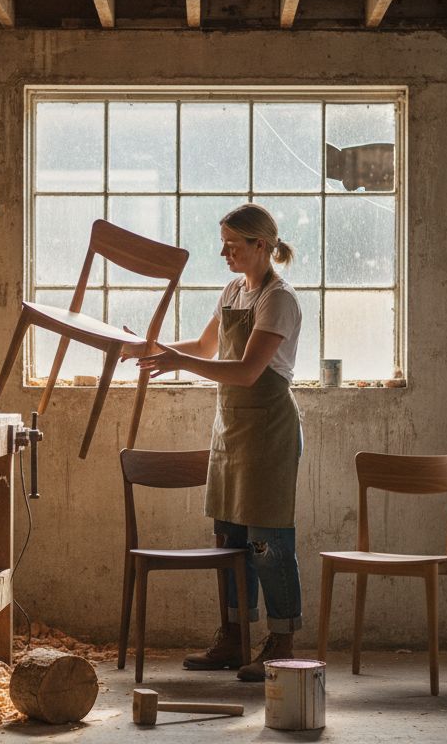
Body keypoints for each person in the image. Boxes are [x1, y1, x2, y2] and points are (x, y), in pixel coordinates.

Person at [129, 203, 304, 682]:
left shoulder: (278, 299)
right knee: (228, 539)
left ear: (261, 246)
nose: (223, 252)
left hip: (268, 431)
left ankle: (282, 639)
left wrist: (177, 363)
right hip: (230, 431)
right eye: (223, 243)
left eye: (232, 244)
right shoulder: (232, 291)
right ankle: (234, 636)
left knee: (268, 541)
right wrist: (150, 349)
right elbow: (206, 349)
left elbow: (248, 372)